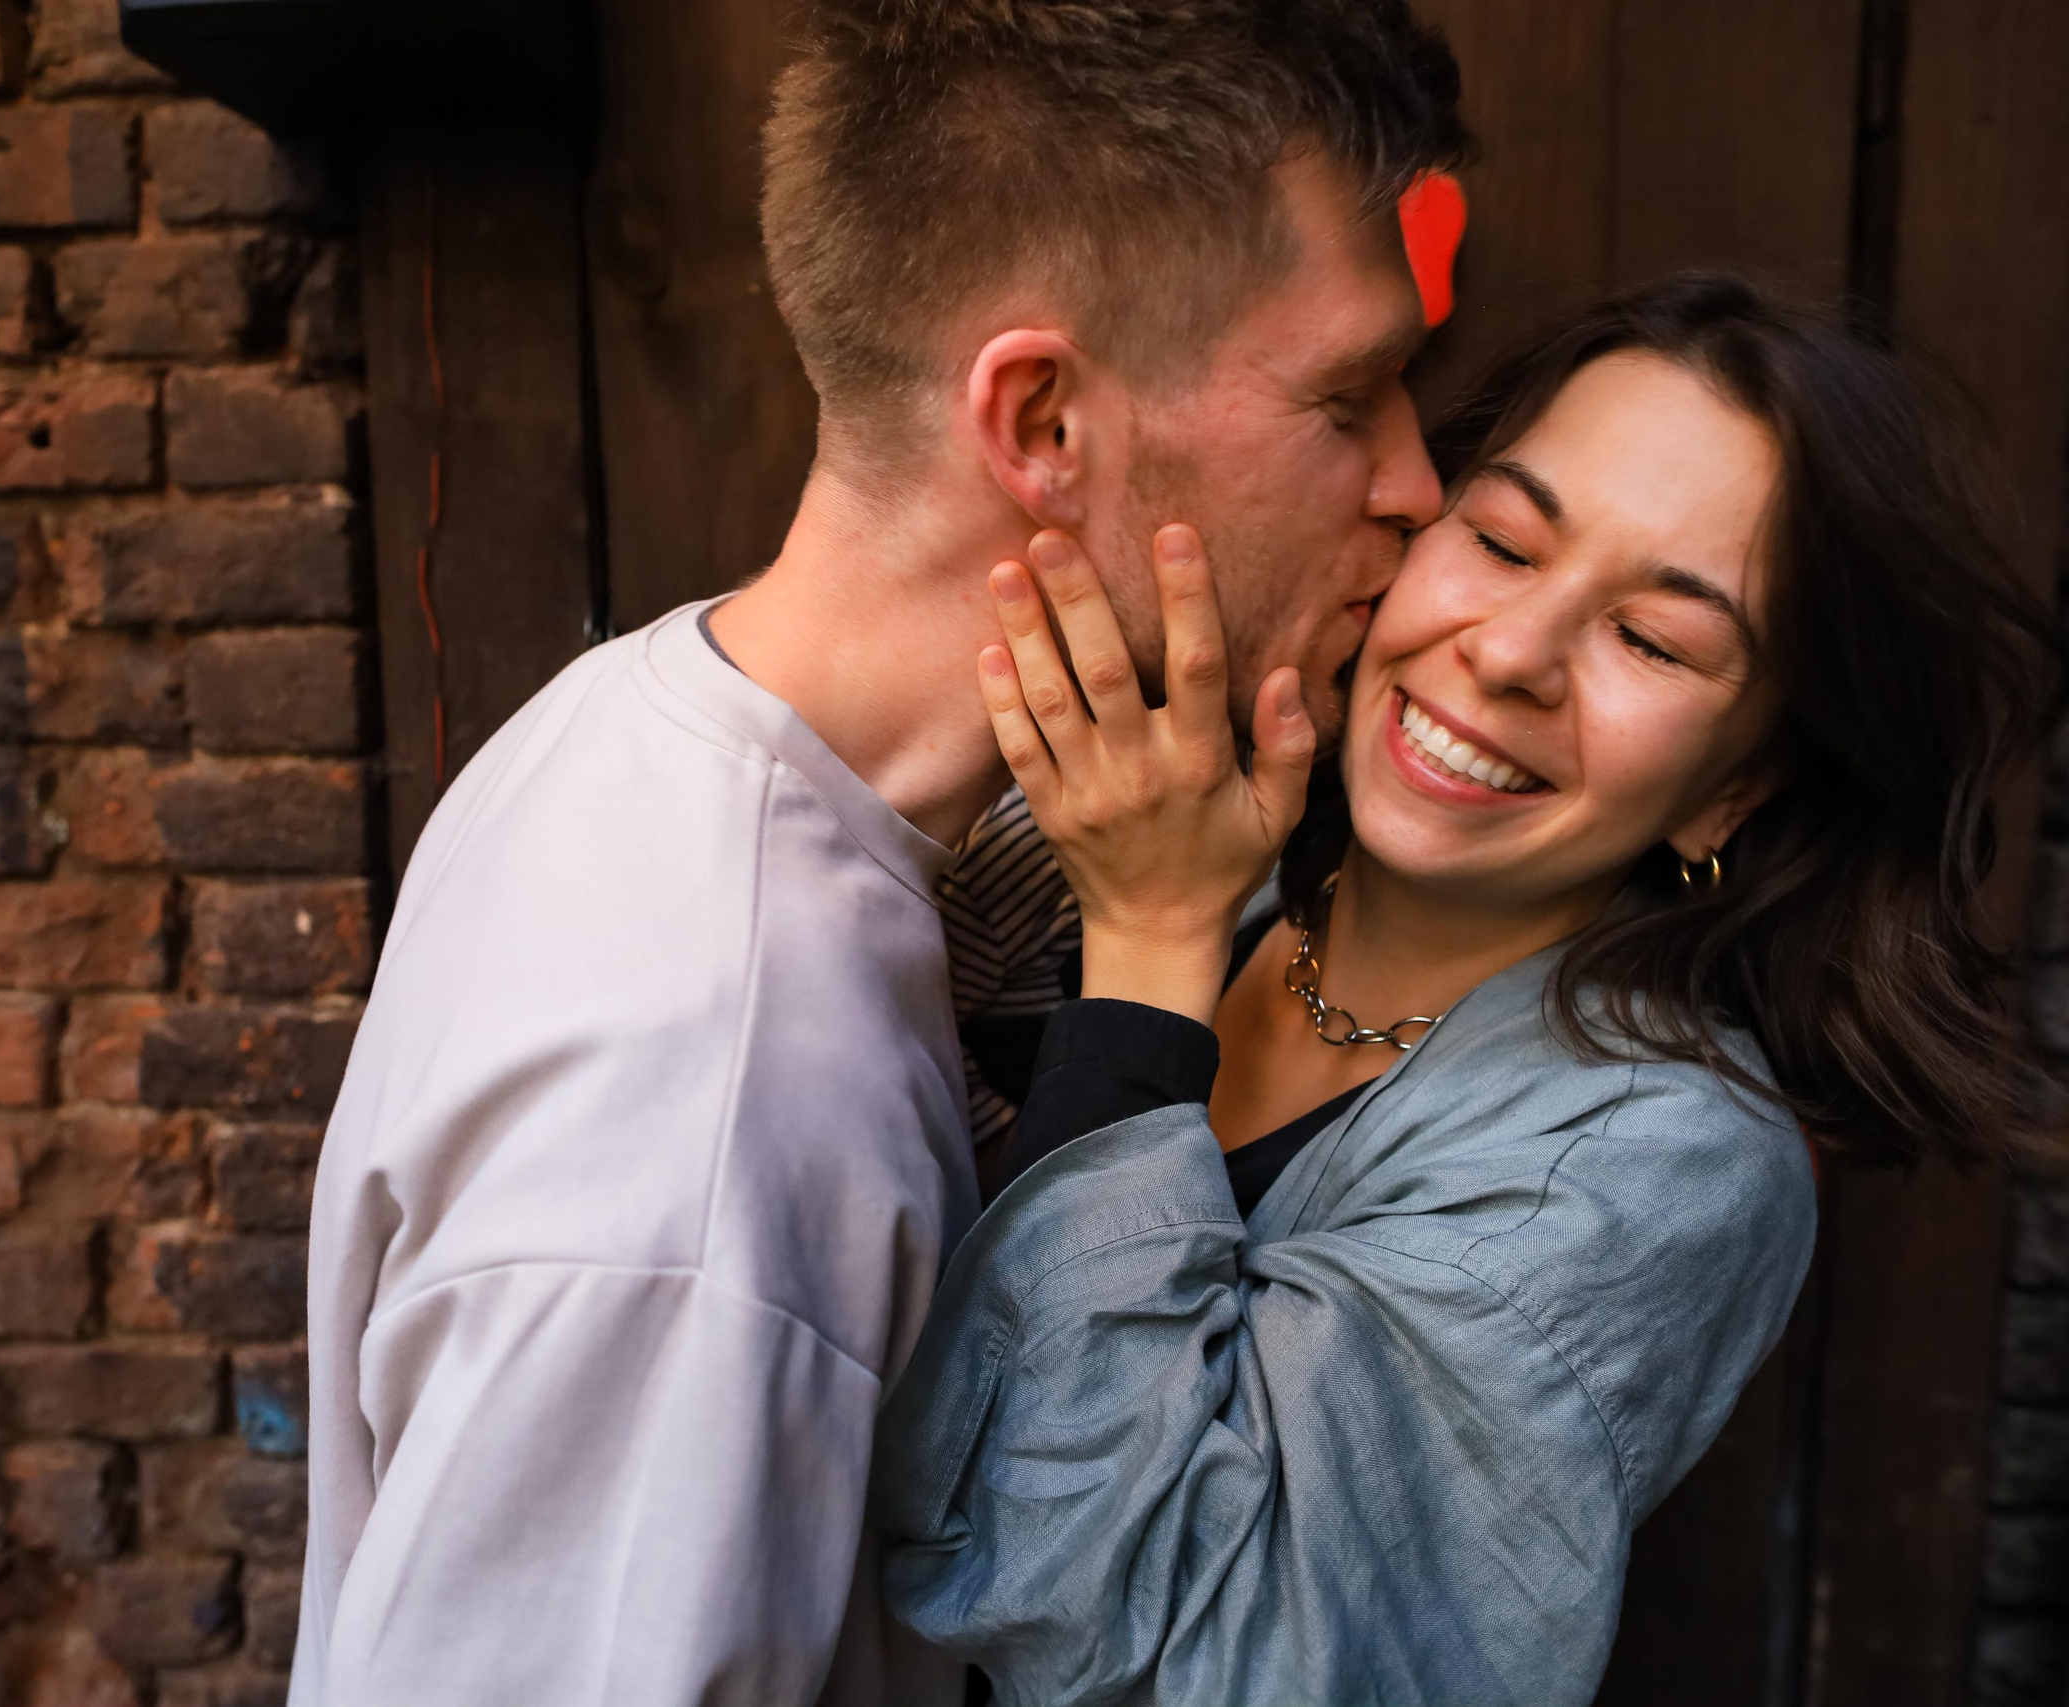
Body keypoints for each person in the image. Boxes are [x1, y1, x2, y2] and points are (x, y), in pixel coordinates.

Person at [288, 2, 1466, 1701]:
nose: (1417, 484)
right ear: (1046, 422)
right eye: (1350, 394)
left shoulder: (638, 717)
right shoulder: (705, 1112)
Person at [873, 273, 2061, 1704]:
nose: (1507, 655)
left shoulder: (1652, 1163)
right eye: (1501, 543)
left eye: (1653, 641)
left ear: (1732, 789)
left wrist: (1146, 962)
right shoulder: (1184, 847)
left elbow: (1131, 1632)